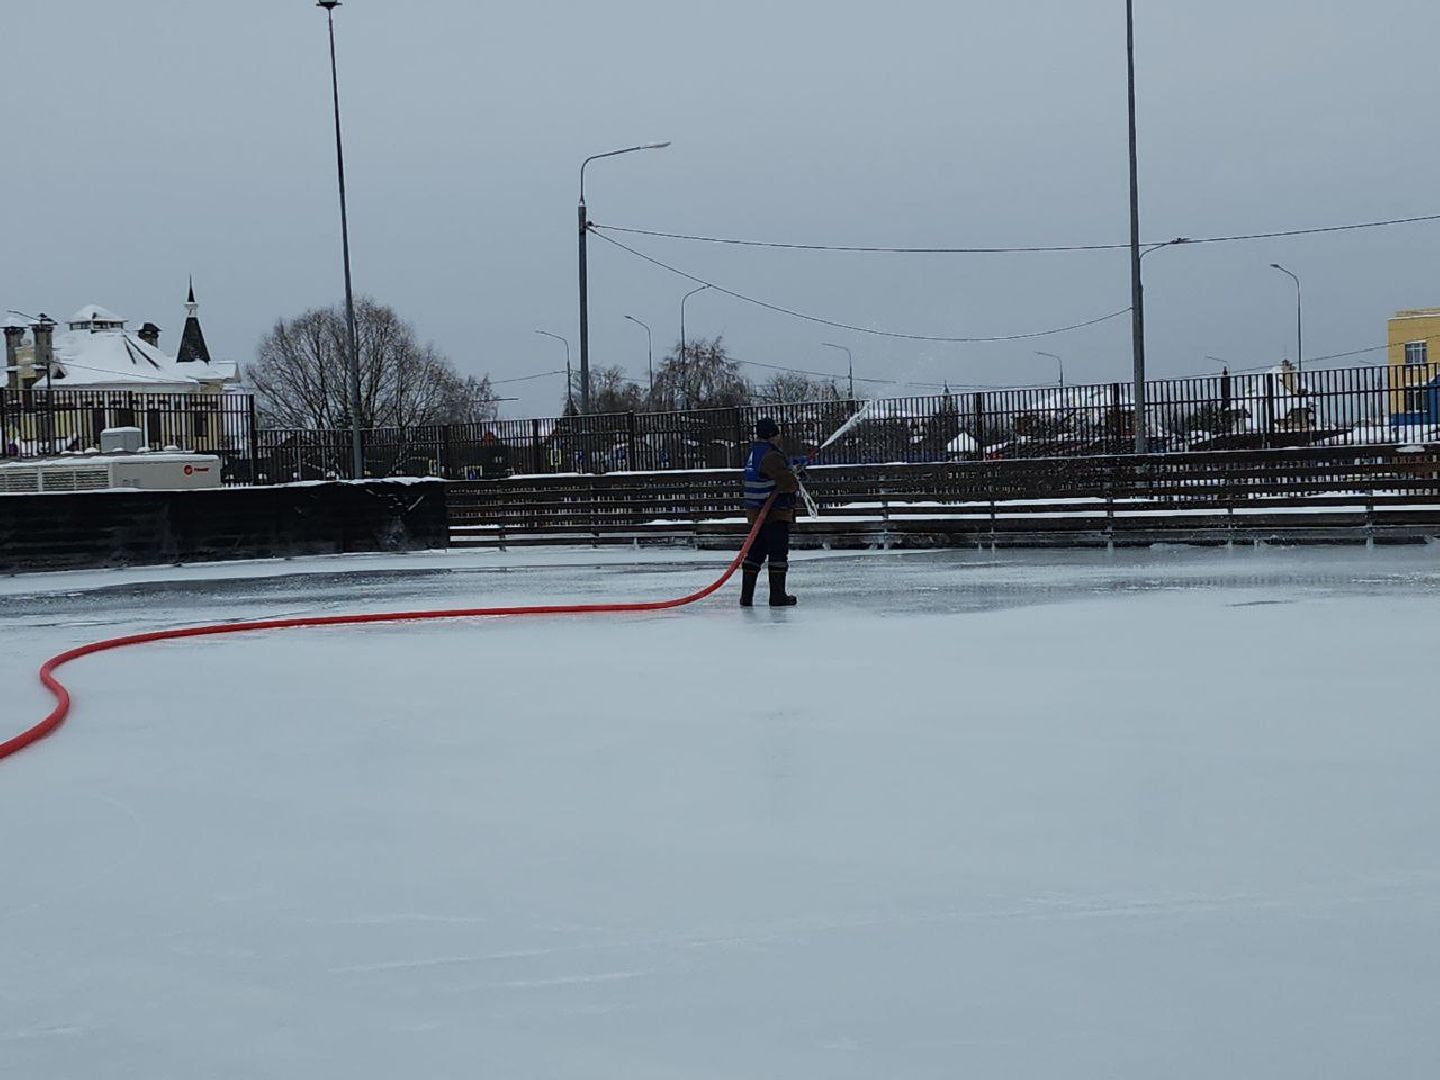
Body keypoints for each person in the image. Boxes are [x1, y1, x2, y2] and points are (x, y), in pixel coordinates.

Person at [740, 417, 800, 607]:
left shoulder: (755, 452)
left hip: (756, 513)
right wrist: (796, 477)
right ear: (772, 435)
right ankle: (777, 596)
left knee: (755, 554)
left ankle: (746, 596)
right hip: (773, 514)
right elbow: (787, 483)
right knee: (778, 554)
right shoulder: (772, 455)